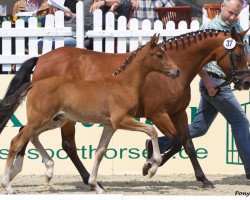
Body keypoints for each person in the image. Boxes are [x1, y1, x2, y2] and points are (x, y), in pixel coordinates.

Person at [145, 0, 250, 179]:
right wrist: (208, 82)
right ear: (222, 7)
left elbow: (244, 54)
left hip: (223, 83)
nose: (232, 17)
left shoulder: (237, 29)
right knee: (240, 122)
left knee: (199, 127)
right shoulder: (208, 28)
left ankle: (159, 143)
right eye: (230, 12)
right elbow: (193, 60)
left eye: (236, 14)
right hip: (214, 84)